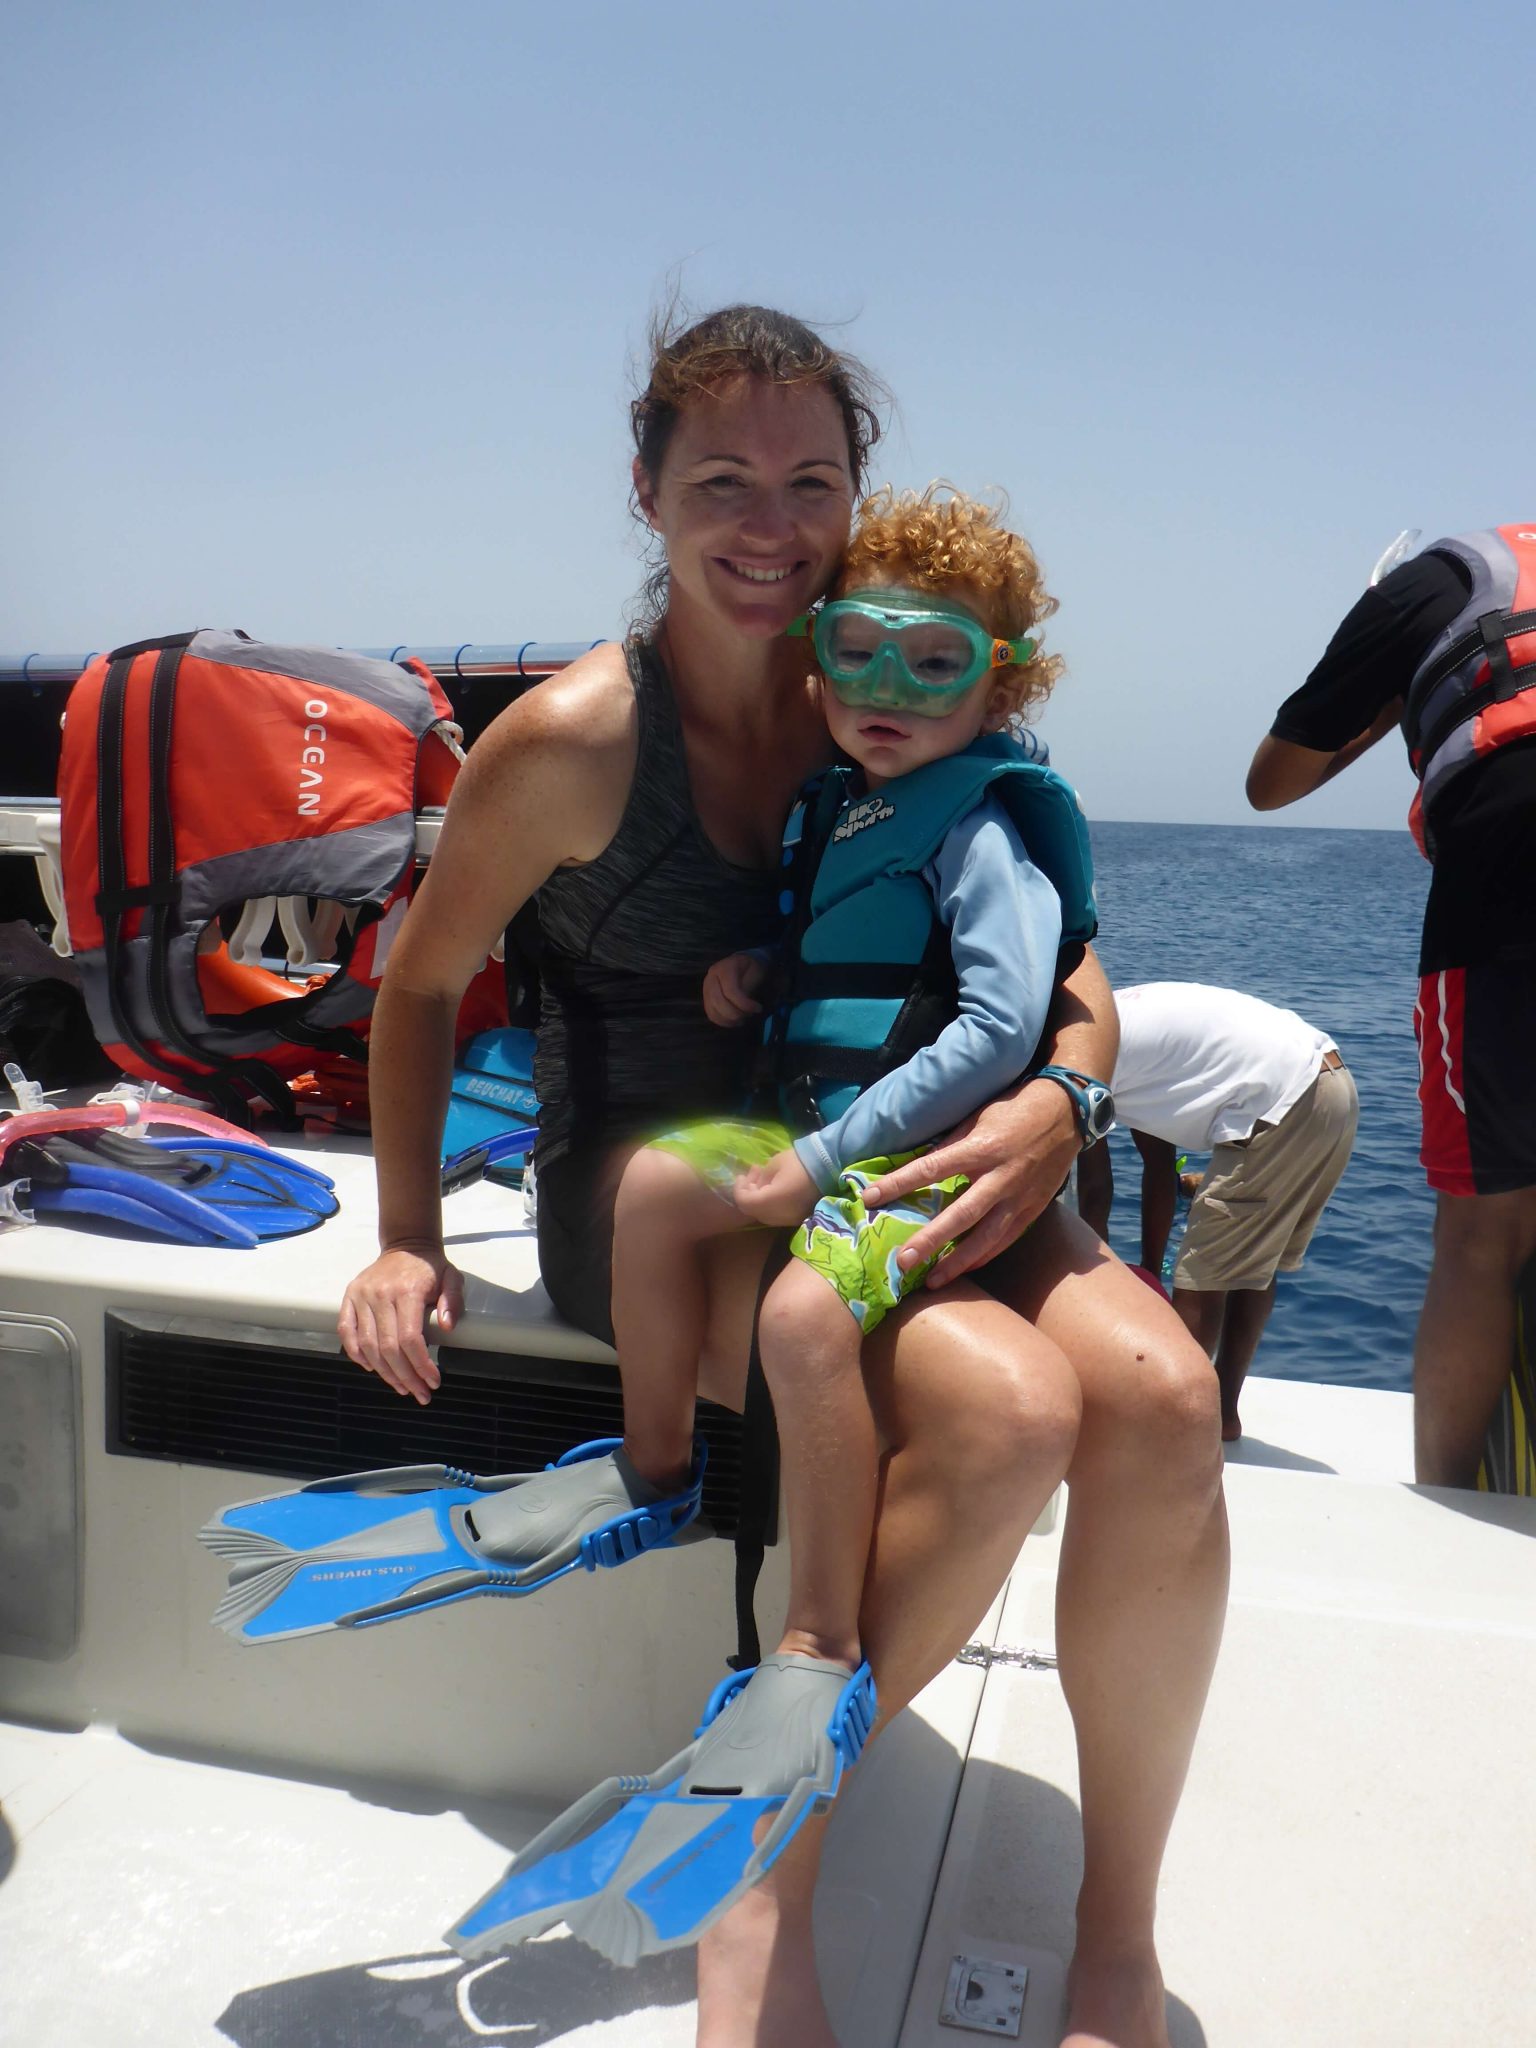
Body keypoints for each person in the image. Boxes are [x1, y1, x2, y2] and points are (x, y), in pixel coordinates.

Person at [340, 304, 1228, 2048]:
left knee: (1171, 1397)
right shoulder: (582, 739)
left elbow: (1064, 969)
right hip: (676, 1180)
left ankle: (1114, 1936)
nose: (769, 519)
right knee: (1006, 1414)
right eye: (723, 477)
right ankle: (764, 1868)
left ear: (854, 503)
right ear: (647, 491)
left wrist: (1069, 1092)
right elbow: (422, 980)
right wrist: (402, 1236)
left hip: (901, 1131)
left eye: (809, 479)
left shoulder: (887, 692)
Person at [592, 486, 1088, 1728]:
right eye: (859, 648)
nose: (893, 688)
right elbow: (850, 964)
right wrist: (756, 976)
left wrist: (821, 1162)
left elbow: (998, 1029)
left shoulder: (980, 831)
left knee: (806, 1320)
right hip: (812, 1121)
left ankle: (816, 1632)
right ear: (818, 656)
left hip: (907, 1157)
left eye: (939, 663)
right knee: (649, 1186)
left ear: (1001, 688)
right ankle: (655, 1473)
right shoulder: (837, 803)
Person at [1247, 526, 1536, 1488]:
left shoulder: (1440, 577)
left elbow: (1272, 781)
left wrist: (1392, 704)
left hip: (1507, 863)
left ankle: (1448, 1502)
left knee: (1482, 1233)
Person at [1077, 982, 1358, 1441]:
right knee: (1255, 1267)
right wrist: (1149, 1271)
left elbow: (1094, 1191)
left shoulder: (1078, 1059)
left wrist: (1098, 1301)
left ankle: (1170, 1431)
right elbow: (1158, 1169)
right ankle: (1221, 1415)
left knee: (1201, 1278)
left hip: (1283, 1100)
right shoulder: (1119, 1026)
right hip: (1333, 1086)